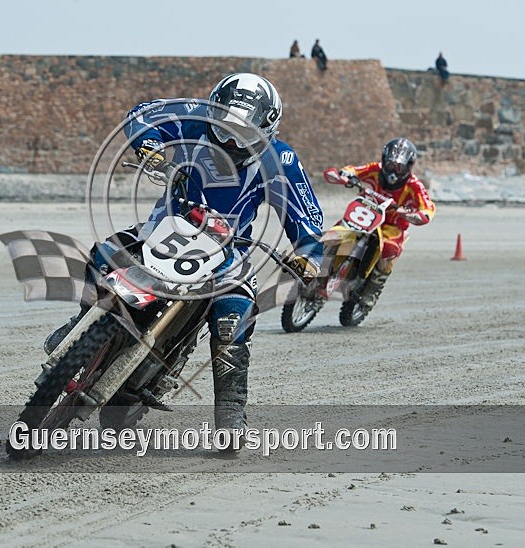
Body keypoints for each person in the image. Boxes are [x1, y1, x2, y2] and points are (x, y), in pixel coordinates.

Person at [44, 73, 325, 434]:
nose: (231, 138)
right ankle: (80, 322)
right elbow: (144, 114)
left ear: (266, 129)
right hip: (168, 226)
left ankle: (230, 421)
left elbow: (306, 214)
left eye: (242, 132)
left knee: (232, 318)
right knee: (106, 251)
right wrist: (148, 145)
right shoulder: (195, 119)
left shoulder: (281, 158)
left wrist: (308, 254)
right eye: (224, 126)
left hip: (232, 249)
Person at [332, 137, 435, 309]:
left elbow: (428, 206)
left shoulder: (415, 186)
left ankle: (373, 289)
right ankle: (322, 260)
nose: (393, 171)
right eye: (389, 164)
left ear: (409, 166)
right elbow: (355, 169)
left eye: (399, 167)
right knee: (339, 228)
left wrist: (420, 215)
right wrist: (346, 175)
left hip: (391, 226)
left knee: (388, 249)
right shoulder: (375, 169)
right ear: (383, 160)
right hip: (366, 214)